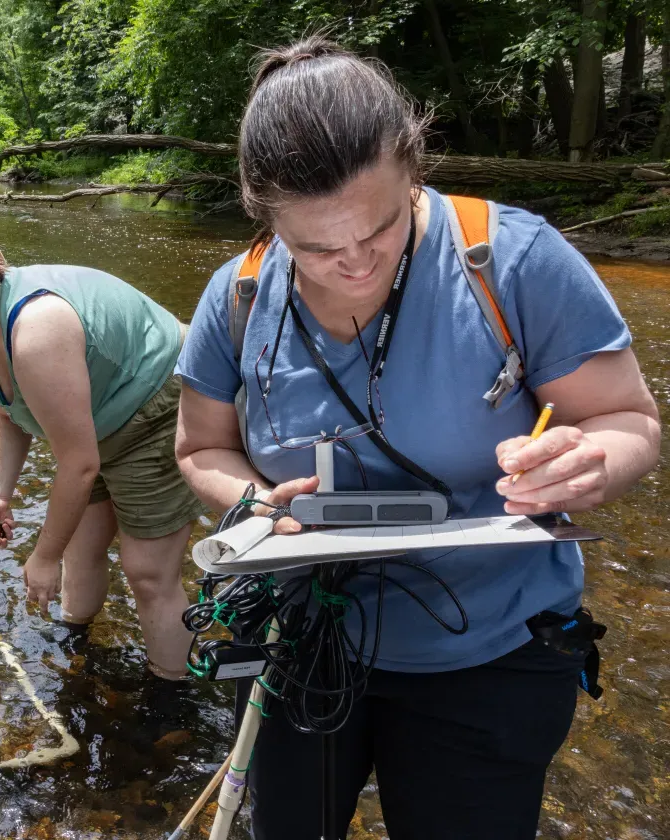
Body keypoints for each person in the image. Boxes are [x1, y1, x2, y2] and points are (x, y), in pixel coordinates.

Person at [175, 37, 661, 840]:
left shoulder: (512, 262)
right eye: (316, 249)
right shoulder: (238, 295)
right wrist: (256, 502)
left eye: (381, 228)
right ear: (264, 218)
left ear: (414, 170)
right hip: (302, 640)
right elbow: (201, 450)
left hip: (492, 655)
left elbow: (630, 419)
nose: (355, 265)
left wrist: (591, 462)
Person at [0, 240, 204, 680]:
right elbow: (9, 408)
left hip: (156, 405)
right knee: (79, 546)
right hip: (96, 418)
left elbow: (80, 465)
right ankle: (75, 648)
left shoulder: (36, 332)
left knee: (146, 572)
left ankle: (172, 698)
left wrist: (42, 557)